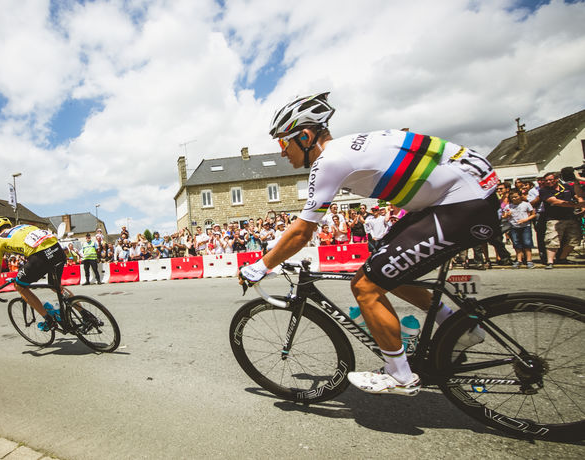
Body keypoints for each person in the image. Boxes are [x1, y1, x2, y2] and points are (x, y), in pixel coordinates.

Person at [239, 92, 500, 396]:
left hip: (463, 202)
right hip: (461, 193)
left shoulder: (329, 161)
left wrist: (260, 266)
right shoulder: (351, 145)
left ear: (306, 136)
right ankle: (457, 326)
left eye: (284, 143)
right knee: (381, 265)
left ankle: (401, 375)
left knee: (365, 287)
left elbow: (302, 232)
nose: (283, 153)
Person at [0, 214, 66, 331]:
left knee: (19, 286)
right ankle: (83, 313)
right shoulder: (23, 226)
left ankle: (49, 320)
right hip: (57, 249)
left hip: (40, 256)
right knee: (56, 286)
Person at [538, 172, 585, 268]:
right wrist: (576, 205)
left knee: (574, 239)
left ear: (556, 179)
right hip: (554, 219)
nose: (548, 182)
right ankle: (550, 262)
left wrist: (582, 206)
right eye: (546, 180)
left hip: (570, 217)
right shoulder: (544, 191)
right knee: (552, 240)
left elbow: (578, 196)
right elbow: (555, 201)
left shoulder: (567, 187)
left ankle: (562, 258)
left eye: (550, 180)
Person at [503, 189, 536, 268]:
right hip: (514, 226)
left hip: (525, 226)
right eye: (512, 197)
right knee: (516, 243)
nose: (514, 199)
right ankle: (519, 260)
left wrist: (525, 219)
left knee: (527, 243)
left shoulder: (526, 204)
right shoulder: (508, 206)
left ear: (520, 196)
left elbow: (533, 214)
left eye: (516, 197)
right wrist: (507, 215)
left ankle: (529, 260)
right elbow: (503, 216)